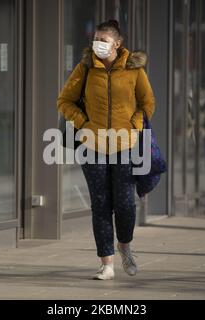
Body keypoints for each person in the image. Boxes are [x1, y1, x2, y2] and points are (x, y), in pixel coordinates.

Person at [57, 20, 156, 280]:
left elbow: (147, 103)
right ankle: (106, 264)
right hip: (93, 146)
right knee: (101, 205)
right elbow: (64, 101)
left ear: (117, 44)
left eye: (104, 40)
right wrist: (84, 123)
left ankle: (125, 246)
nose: (98, 44)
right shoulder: (86, 68)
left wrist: (134, 126)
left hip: (125, 145)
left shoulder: (134, 70)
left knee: (125, 204)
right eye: (96, 39)